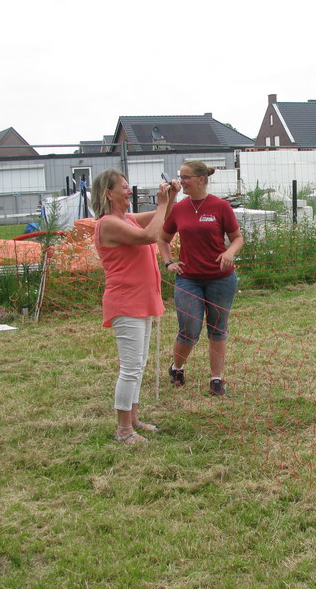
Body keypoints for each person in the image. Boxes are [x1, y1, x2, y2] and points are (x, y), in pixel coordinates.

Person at [91, 168, 178, 444]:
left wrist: (171, 197)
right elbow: (150, 236)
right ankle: (123, 430)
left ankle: (134, 419)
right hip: (125, 301)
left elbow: (160, 219)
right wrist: (163, 202)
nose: (130, 191)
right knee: (129, 367)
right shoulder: (108, 224)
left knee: (138, 364)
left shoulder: (126, 218)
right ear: (109, 193)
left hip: (140, 300)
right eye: (124, 187)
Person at [157, 160, 244, 397]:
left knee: (218, 329)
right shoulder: (179, 208)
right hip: (189, 279)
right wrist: (169, 261)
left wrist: (229, 253)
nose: (181, 181)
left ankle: (216, 379)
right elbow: (162, 238)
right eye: (181, 176)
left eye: (185, 177)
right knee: (189, 329)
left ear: (200, 180)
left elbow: (237, 238)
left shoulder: (220, 206)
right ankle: (177, 368)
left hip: (221, 279)